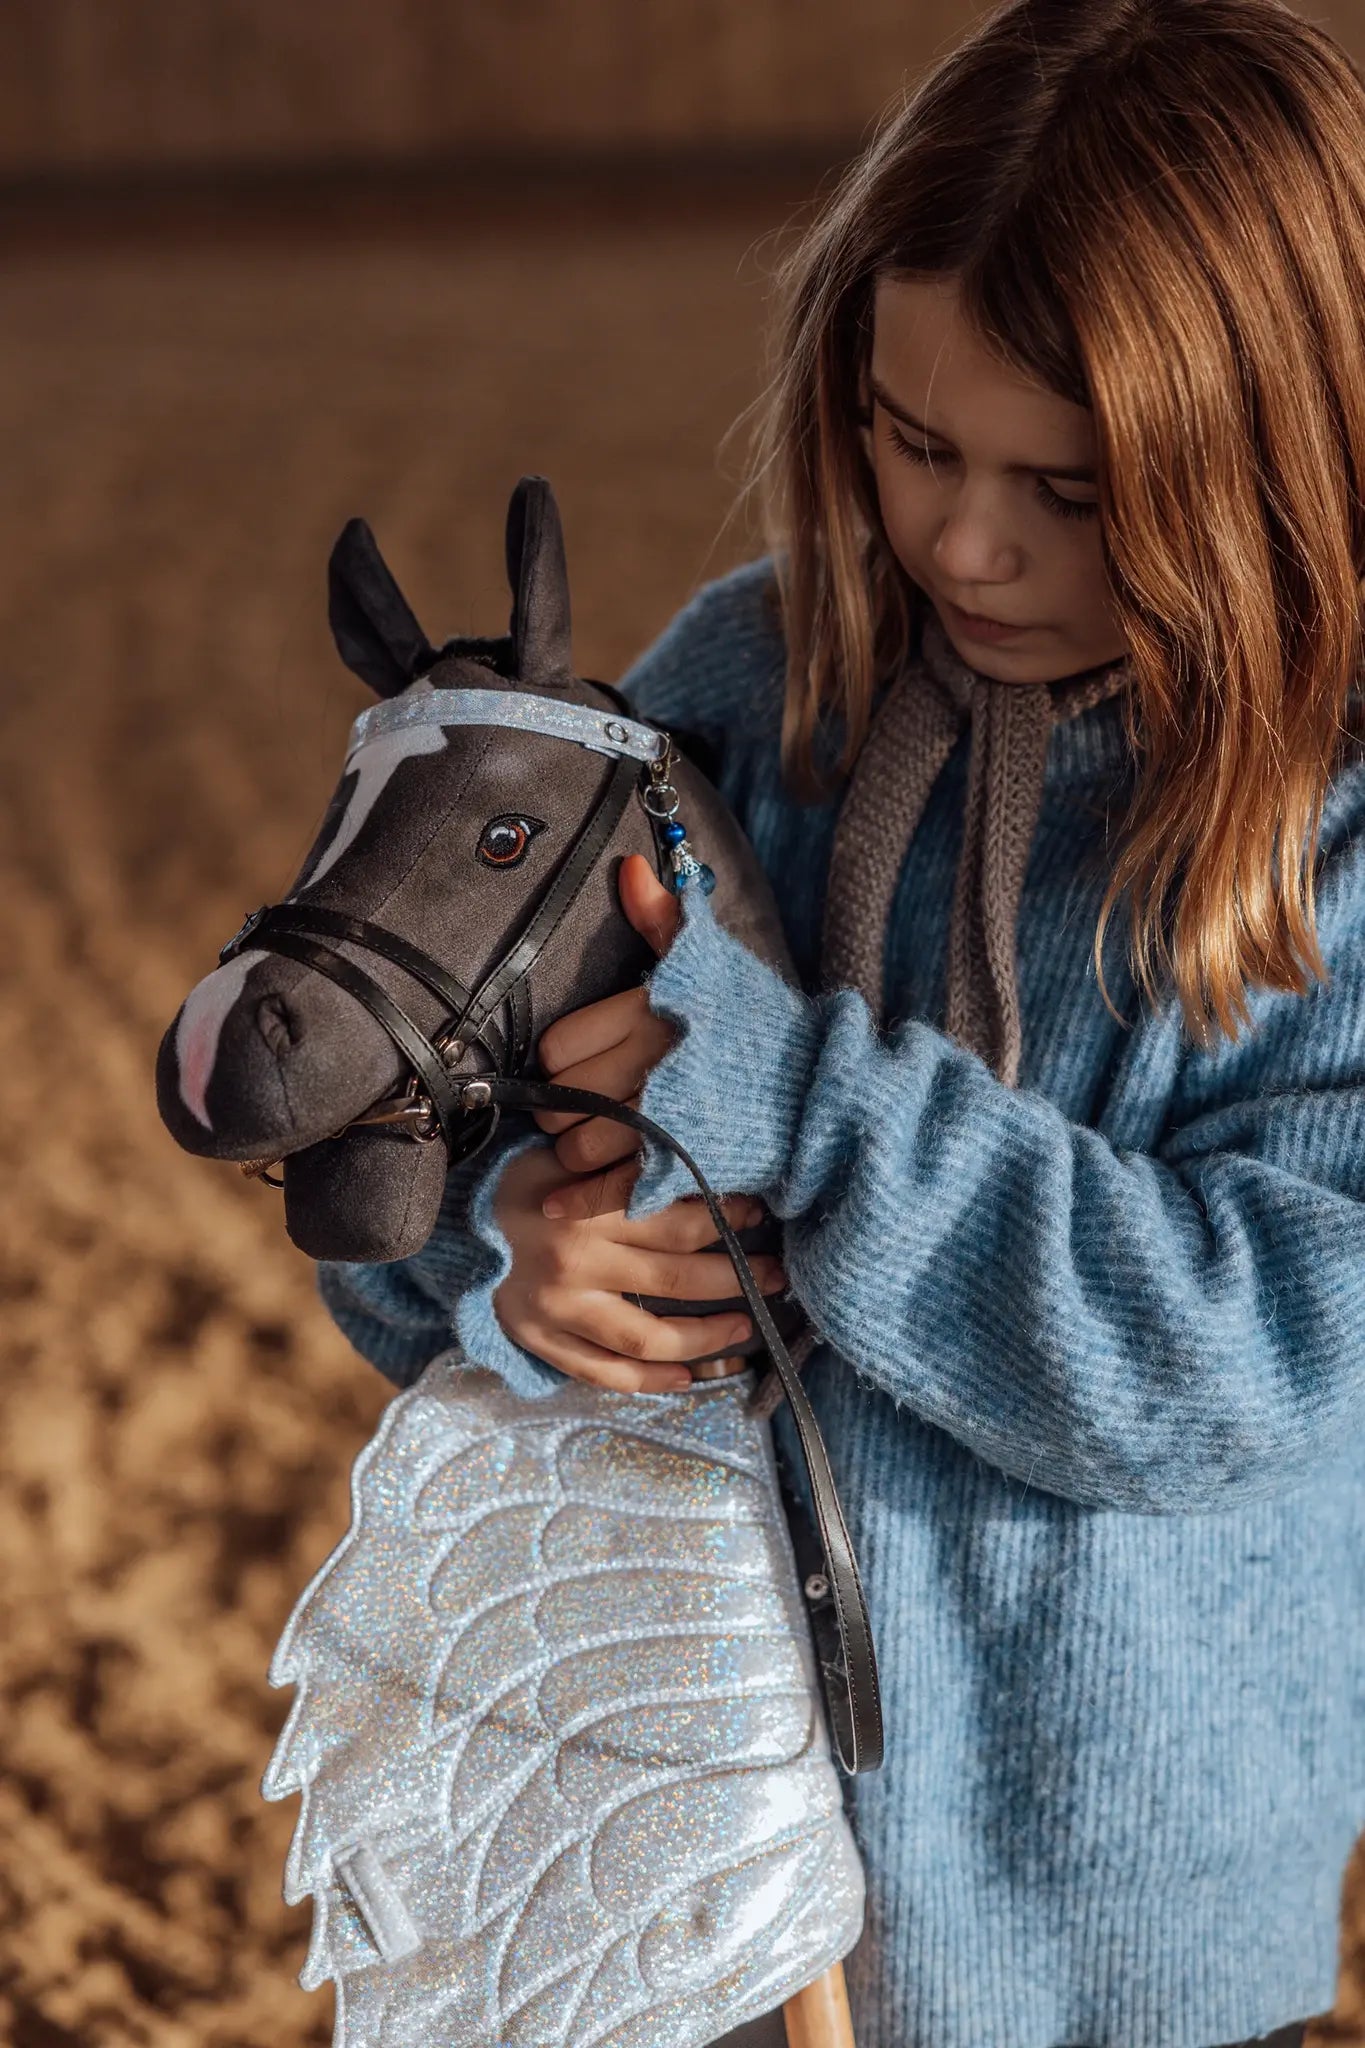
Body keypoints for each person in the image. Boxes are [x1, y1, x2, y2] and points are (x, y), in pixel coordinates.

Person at [316, 2, 1365, 2042]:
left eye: (1067, 485)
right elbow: (454, 1196)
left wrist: (801, 1104)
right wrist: (517, 1262)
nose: (963, 542)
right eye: (910, 441)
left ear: (1286, 452)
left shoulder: (1329, 830)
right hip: (692, 1902)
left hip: (1119, 1961)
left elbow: (1267, 1363)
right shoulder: (735, 682)